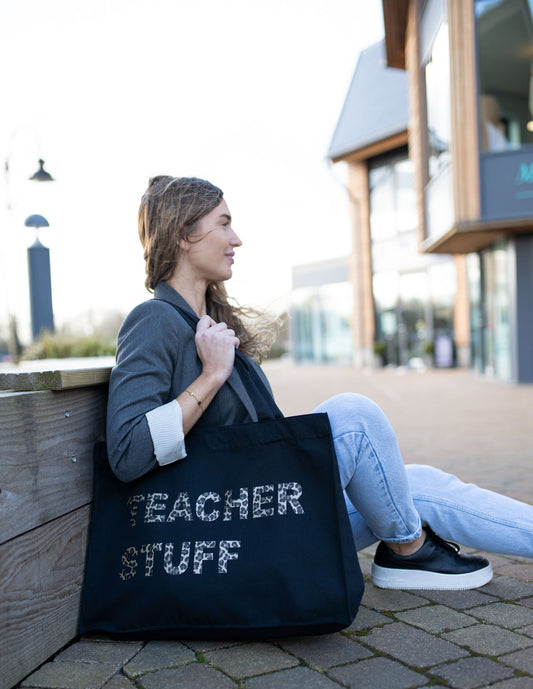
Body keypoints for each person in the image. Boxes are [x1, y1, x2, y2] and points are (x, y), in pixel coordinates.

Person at [107, 175, 533, 592]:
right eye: (223, 223)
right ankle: (410, 550)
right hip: (226, 537)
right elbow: (127, 453)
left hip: (262, 519)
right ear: (184, 234)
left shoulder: (208, 322)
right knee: (353, 418)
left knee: (412, 482)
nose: (236, 239)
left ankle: (409, 551)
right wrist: (211, 377)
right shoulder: (153, 321)